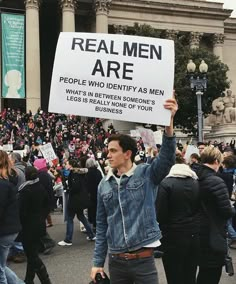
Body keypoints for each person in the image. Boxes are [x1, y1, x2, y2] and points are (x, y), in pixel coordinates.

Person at [90, 96, 178, 283]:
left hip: (143, 260)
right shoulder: (103, 184)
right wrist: (97, 262)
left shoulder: (146, 174)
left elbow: (167, 159)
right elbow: (102, 226)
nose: (108, 154)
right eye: (108, 150)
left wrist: (169, 124)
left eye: (113, 150)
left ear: (127, 153)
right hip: (116, 261)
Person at [156, 154, 200, 284]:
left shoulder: (166, 184)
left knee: (174, 275)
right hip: (194, 235)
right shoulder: (196, 182)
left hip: (172, 237)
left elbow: (160, 214)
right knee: (190, 274)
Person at [196, 147, 235, 284]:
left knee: (203, 272)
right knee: (211, 273)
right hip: (213, 233)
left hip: (197, 232)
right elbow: (226, 212)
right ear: (216, 161)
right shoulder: (216, 181)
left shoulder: (195, 177)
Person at [18, 166, 52, 284]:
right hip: (39, 224)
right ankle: (29, 279)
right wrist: (41, 216)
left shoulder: (24, 190)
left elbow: (21, 211)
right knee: (32, 254)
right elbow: (48, 204)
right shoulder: (40, 187)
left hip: (27, 227)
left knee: (32, 256)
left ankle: (45, 280)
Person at [58, 159, 95, 246]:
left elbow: (75, 187)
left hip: (75, 200)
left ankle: (68, 239)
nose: (65, 165)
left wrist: (68, 189)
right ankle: (91, 235)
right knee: (81, 216)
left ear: (71, 165)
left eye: (66, 164)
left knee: (70, 218)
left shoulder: (73, 174)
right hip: (80, 199)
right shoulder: (79, 173)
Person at [0, 150, 22, 284]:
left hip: (5, 229)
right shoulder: (8, 180)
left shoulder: (2, 184)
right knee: (1, 266)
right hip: (11, 228)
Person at [85, 158, 103, 231]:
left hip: (90, 194)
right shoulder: (98, 171)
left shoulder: (88, 173)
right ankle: (98, 224)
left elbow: (86, 184)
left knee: (91, 210)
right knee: (98, 209)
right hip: (98, 193)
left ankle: (93, 225)